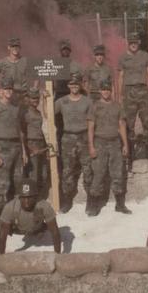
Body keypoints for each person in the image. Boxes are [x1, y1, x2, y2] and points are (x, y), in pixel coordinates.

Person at [87, 79, 130, 216]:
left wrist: (125, 144)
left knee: (118, 174)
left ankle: (120, 204)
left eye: (108, 90)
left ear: (111, 91)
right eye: (103, 90)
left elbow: (122, 125)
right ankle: (94, 206)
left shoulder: (117, 106)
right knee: (98, 174)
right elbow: (90, 128)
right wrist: (91, 146)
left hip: (115, 143)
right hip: (100, 143)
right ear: (100, 91)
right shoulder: (94, 106)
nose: (106, 92)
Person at [0, 77, 27, 214]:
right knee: (2, 185)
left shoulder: (16, 107)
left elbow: (20, 132)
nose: (8, 91)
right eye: (6, 89)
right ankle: (3, 218)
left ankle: (17, 213)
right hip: (3, 147)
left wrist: (24, 152)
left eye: (10, 89)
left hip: (17, 147)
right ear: (1, 91)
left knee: (19, 182)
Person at [53, 73, 92, 213]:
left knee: (88, 169)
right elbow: (48, 114)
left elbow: (92, 121)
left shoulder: (87, 101)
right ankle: (67, 199)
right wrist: (45, 98)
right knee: (67, 170)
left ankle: (91, 201)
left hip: (83, 137)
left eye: (76, 84)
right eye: (72, 84)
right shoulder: (62, 101)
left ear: (80, 85)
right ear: (68, 86)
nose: (74, 86)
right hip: (68, 138)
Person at [118, 32, 148, 161]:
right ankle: (130, 153)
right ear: (128, 43)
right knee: (129, 124)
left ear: (139, 42)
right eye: (131, 42)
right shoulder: (122, 58)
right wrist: (119, 96)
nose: (133, 44)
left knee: (147, 122)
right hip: (129, 93)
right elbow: (120, 77)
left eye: (135, 42)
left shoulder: (145, 56)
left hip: (143, 91)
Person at [0, 179, 61, 254]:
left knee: (48, 224)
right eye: (23, 198)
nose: (26, 201)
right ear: (19, 197)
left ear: (35, 197)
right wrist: (1, 255)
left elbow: (55, 231)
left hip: (36, 228)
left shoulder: (44, 206)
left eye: (30, 197)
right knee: (2, 223)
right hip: (18, 229)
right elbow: (2, 235)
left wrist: (58, 254)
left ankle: (37, 232)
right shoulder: (10, 207)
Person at [0, 37, 35, 108]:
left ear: (20, 47)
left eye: (17, 46)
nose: (15, 48)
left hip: (23, 97)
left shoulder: (26, 61)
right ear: (8, 47)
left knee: (25, 118)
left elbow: (37, 75)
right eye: (13, 46)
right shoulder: (2, 63)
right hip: (9, 97)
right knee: (9, 118)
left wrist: (34, 90)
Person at [23, 87, 49, 198]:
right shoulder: (24, 112)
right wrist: (28, 149)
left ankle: (40, 198)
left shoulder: (38, 112)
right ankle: (31, 199)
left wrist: (46, 146)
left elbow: (40, 128)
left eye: (37, 98)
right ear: (28, 98)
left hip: (41, 144)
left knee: (43, 174)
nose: (35, 100)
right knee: (33, 175)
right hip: (31, 144)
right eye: (33, 98)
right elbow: (22, 133)